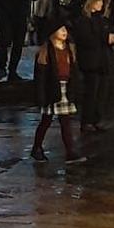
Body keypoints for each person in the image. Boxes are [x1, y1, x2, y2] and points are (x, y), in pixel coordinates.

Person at [31, 20, 84, 163]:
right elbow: (41, 78)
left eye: (65, 30)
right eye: (61, 30)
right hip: (52, 89)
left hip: (65, 88)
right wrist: (41, 96)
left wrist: (75, 89)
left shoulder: (69, 50)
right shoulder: (45, 51)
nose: (65, 32)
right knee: (46, 121)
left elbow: (73, 71)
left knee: (65, 121)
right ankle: (37, 148)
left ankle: (70, 152)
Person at [70, 0, 114, 134]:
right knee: (91, 92)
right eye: (98, 1)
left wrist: (112, 37)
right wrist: (105, 38)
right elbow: (86, 39)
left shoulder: (103, 20)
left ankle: (95, 119)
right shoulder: (83, 20)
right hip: (90, 61)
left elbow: (111, 31)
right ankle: (87, 121)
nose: (100, 5)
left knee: (101, 93)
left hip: (103, 61)